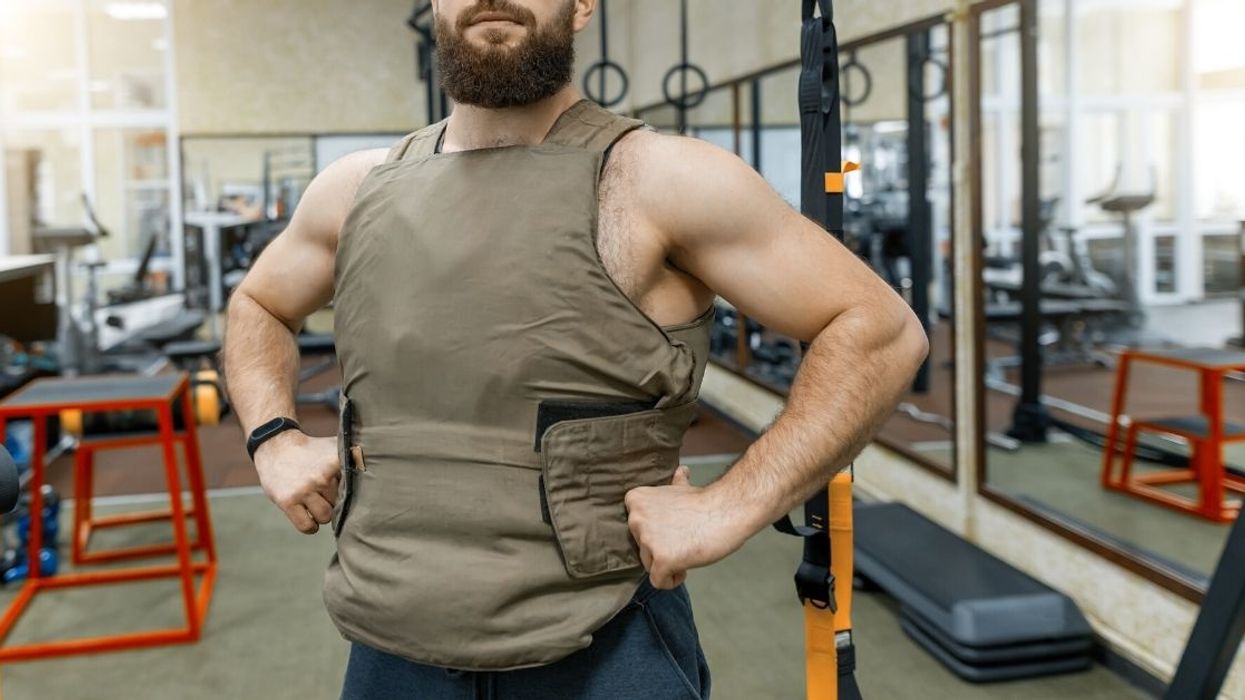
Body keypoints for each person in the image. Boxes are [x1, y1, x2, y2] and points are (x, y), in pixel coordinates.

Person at [222, 0, 928, 697]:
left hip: (604, 643)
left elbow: (878, 329)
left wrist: (732, 505)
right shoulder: (353, 189)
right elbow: (258, 304)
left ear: (582, 5)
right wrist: (273, 436)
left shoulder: (660, 179)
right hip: (388, 640)